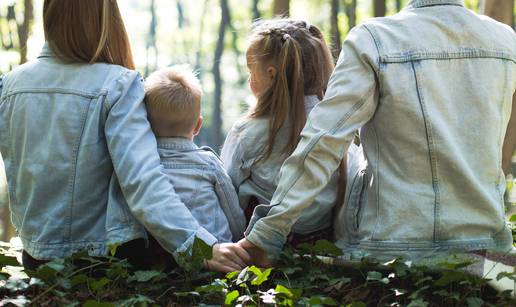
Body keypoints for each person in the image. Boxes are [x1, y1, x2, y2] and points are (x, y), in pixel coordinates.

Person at [228, 0, 516, 266]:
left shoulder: (376, 40)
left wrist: (267, 234)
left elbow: (323, 142)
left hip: (390, 247)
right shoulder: (506, 41)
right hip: (487, 245)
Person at [0, 0, 249, 272]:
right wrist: (199, 246)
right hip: (100, 261)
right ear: (104, 18)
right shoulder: (117, 84)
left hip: (36, 259)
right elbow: (143, 182)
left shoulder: (10, 84)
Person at [221, 19, 359, 245]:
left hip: (259, 247)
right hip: (322, 244)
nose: (249, 78)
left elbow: (227, 193)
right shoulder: (338, 130)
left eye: (251, 70)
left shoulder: (247, 132)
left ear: (272, 74)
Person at [144, 65, 246, 244]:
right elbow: (233, 212)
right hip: (216, 250)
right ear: (198, 126)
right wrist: (239, 240)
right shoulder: (209, 164)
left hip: (163, 257)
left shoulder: (142, 165)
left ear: (146, 124)